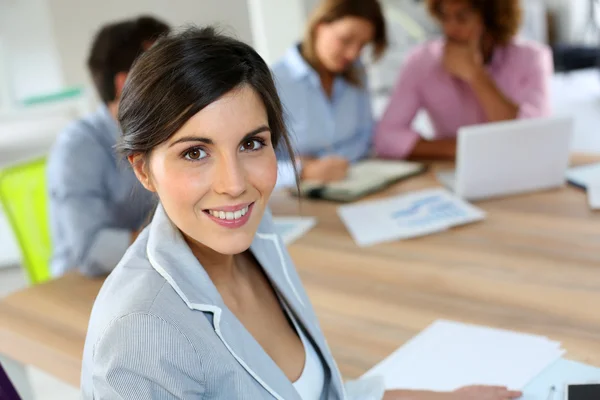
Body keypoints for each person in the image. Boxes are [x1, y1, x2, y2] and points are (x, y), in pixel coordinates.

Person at [80, 27, 522, 400]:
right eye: (195, 152)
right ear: (144, 170)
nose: (234, 184)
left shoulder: (256, 234)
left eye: (252, 143)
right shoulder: (137, 339)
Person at [47, 16, 170, 277]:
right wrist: (177, 240)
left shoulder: (162, 133)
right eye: (163, 73)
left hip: (149, 269)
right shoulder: (78, 147)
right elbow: (92, 251)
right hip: (82, 286)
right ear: (124, 84)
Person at [374, 0, 553, 160]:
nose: (450, 29)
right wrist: (462, 148)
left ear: (491, 20)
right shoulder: (422, 62)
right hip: (454, 171)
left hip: (516, 169)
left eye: (462, 18)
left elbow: (535, 139)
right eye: (445, 17)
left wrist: (476, 75)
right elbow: (386, 137)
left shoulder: (532, 58)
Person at [273, 0, 387, 184]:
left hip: (350, 182)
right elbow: (252, 162)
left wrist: (331, 164)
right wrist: (304, 171)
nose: (352, 54)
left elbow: (365, 137)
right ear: (320, 26)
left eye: (362, 45)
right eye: (346, 40)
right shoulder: (273, 82)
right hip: (293, 194)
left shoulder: (357, 74)